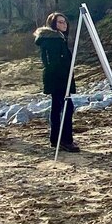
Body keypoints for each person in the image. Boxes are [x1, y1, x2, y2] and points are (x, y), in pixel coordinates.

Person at [34, 12, 79, 152]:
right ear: (53, 24)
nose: (64, 24)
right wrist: (63, 79)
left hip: (57, 79)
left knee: (57, 108)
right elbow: (54, 63)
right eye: (60, 22)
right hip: (58, 79)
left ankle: (55, 139)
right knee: (67, 108)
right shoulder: (54, 40)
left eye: (64, 22)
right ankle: (65, 140)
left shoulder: (56, 38)